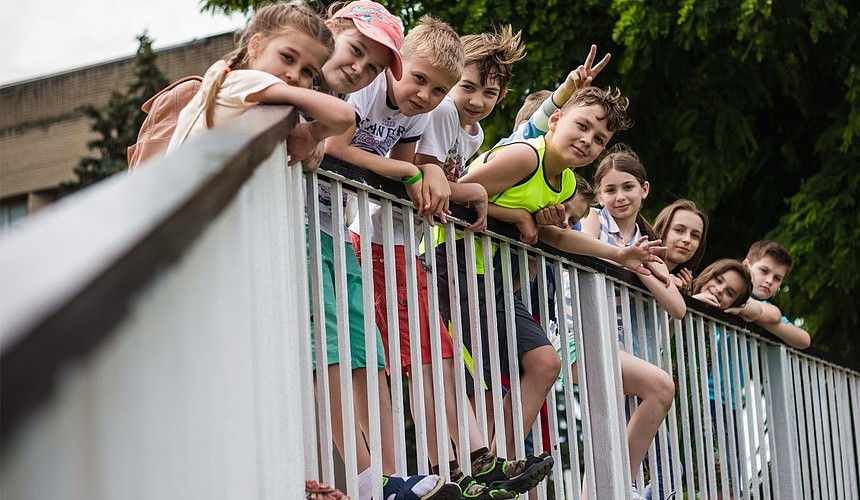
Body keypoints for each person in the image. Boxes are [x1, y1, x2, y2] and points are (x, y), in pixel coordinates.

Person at [450, 85, 667, 488]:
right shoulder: (524, 156)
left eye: (599, 139)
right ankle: (484, 468)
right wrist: (516, 215)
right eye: (582, 126)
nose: (587, 141)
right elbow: (457, 191)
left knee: (545, 363)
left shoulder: (566, 184)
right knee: (489, 374)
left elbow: (558, 237)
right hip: (450, 259)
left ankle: (497, 470)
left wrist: (619, 255)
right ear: (555, 120)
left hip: (488, 276)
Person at [325, 14, 467, 499]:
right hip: (323, 221)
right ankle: (372, 478)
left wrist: (429, 174)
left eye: (439, 90)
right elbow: (337, 147)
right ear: (398, 64)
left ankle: (388, 477)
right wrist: (410, 174)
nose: (425, 95)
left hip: (333, 223)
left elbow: (401, 168)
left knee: (367, 351)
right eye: (419, 79)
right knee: (338, 350)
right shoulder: (367, 88)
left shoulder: (418, 114)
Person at [413, 26, 556, 498]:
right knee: (444, 365)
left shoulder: (472, 133)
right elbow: (433, 180)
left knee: (457, 366)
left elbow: (524, 136)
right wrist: (489, 201)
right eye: (467, 87)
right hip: (433, 251)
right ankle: (465, 468)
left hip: (457, 256)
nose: (475, 101)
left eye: (489, 93)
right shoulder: (440, 114)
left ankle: (486, 466)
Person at [547, 147, 683, 500]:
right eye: (610, 189)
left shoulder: (645, 243)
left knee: (607, 433)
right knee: (660, 387)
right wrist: (628, 261)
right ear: (600, 194)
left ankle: (611, 488)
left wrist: (644, 269)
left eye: (628, 187)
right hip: (578, 336)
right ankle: (625, 483)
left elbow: (677, 307)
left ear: (644, 190)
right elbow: (586, 249)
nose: (619, 197)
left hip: (619, 349)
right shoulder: (595, 219)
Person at [166, 1, 354, 157]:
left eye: (307, 72)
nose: (294, 75)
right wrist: (313, 133)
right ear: (255, 45)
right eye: (287, 57)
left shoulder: (232, 82)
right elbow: (344, 115)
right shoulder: (245, 80)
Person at [690, 259, 759, 496]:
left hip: (721, 405)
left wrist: (740, 311)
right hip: (688, 401)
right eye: (718, 281)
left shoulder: (722, 323)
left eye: (729, 293)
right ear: (708, 274)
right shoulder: (680, 294)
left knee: (726, 481)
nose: (719, 290)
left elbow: (762, 312)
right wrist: (691, 301)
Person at [741, 240, 811, 349]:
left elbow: (804, 340)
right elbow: (772, 315)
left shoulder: (766, 306)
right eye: (764, 271)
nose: (769, 281)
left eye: (777, 278)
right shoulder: (727, 291)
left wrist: (765, 322)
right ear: (746, 266)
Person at [652, 199, 709, 293]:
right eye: (679, 230)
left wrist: (683, 295)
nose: (687, 240)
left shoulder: (685, 287)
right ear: (661, 230)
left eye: (695, 235)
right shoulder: (637, 264)